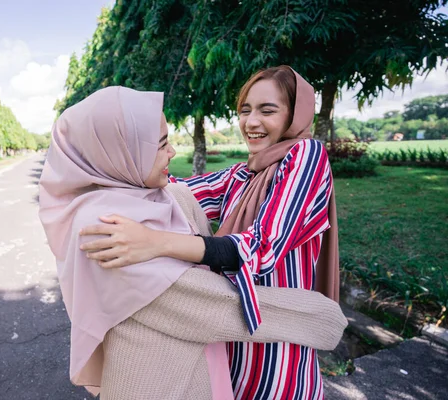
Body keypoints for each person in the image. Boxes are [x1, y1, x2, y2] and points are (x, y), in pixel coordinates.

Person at [40, 85, 346, 399]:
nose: (251, 122)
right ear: (120, 153)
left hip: (270, 355)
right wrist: (319, 316)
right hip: (217, 352)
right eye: (245, 110)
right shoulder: (106, 222)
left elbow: (261, 247)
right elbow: (203, 305)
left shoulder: (303, 154)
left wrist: (157, 239)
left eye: (267, 110)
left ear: (295, 116)